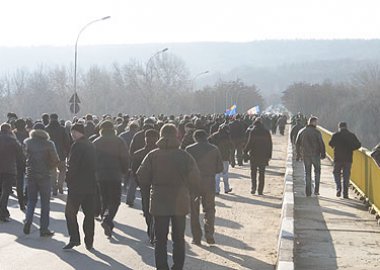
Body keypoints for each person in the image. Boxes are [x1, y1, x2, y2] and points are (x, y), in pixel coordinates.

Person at [137, 124, 201, 270]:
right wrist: (193, 193)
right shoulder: (185, 156)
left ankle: (162, 267)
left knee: (160, 239)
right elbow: (195, 178)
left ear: (161, 135)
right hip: (180, 201)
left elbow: (142, 176)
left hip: (159, 201)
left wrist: (150, 188)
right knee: (179, 238)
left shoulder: (152, 155)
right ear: (176, 135)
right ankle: (178, 266)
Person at [186, 130, 223, 245]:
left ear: (195, 138)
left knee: (194, 211)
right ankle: (209, 234)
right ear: (206, 137)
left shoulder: (189, 149)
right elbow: (219, 168)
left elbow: (185, 168)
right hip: (209, 182)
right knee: (210, 209)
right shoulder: (214, 149)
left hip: (194, 183)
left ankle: (196, 238)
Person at [63, 123, 97, 250]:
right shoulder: (91, 145)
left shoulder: (77, 146)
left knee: (70, 213)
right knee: (89, 215)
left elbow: (73, 166)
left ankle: (74, 238)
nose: (72, 135)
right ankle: (89, 241)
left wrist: (68, 179)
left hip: (77, 186)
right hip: (90, 185)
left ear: (79, 132)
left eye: (73, 132)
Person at [93, 120, 129, 237]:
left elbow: (91, 159)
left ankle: (106, 219)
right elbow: (124, 157)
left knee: (104, 198)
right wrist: (124, 170)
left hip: (100, 175)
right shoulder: (119, 141)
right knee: (115, 200)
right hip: (115, 174)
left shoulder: (96, 142)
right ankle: (107, 219)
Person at [23, 123, 59, 236]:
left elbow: (23, 157)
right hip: (45, 176)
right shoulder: (49, 143)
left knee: (31, 201)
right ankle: (44, 229)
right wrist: (49, 168)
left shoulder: (27, 142)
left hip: (31, 175)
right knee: (45, 203)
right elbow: (56, 160)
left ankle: (28, 220)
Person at [131, 129, 159, 243]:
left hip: (145, 185)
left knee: (147, 208)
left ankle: (150, 230)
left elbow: (135, 171)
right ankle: (155, 231)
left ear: (145, 139)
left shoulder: (138, 154)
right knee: (158, 210)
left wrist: (140, 184)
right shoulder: (160, 153)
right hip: (159, 185)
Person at [329, 122, 361, 198]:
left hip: (338, 158)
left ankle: (338, 188)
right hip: (348, 159)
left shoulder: (336, 135)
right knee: (346, 176)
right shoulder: (351, 135)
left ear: (339, 127)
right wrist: (352, 148)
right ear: (346, 127)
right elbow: (358, 145)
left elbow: (330, 144)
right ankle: (345, 193)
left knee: (336, 173)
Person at [296, 116, 326, 197]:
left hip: (305, 155)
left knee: (307, 173)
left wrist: (298, 154)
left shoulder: (302, 131)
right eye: (316, 122)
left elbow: (297, 143)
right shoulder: (317, 132)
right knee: (317, 172)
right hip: (315, 155)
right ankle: (316, 190)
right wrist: (323, 154)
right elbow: (321, 143)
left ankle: (308, 192)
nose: (317, 124)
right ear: (313, 122)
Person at [0, 123, 24, 222]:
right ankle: (3, 212)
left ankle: (2, 211)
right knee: (6, 192)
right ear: (9, 130)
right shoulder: (12, 140)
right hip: (9, 169)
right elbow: (20, 154)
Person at [243, 118, 273, 195]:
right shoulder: (266, 132)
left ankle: (253, 188)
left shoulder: (253, 131)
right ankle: (260, 190)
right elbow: (270, 145)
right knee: (262, 173)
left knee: (253, 173)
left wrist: (245, 151)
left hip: (254, 155)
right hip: (263, 155)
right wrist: (269, 155)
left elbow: (250, 143)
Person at [45, 113, 70, 195]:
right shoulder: (62, 129)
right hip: (61, 153)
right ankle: (60, 184)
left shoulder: (46, 129)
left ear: (50, 119)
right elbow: (67, 141)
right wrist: (67, 151)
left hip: (50, 154)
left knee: (53, 172)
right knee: (62, 170)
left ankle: (54, 187)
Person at [209, 124, 233, 194]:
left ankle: (216, 190)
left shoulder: (214, 135)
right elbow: (231, 146)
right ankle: (226, 188)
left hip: (216, 157)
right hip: (225, 157)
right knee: (225, 173)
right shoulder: (227, 136)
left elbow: (208, 142)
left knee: (217, 174)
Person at [13, 119, 29, 210]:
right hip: (26, 160)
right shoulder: (28, 134)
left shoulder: (13, 135)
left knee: (19, 182)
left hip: (16, 161)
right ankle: (26, 197)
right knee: (28, 180)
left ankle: (21, 201)